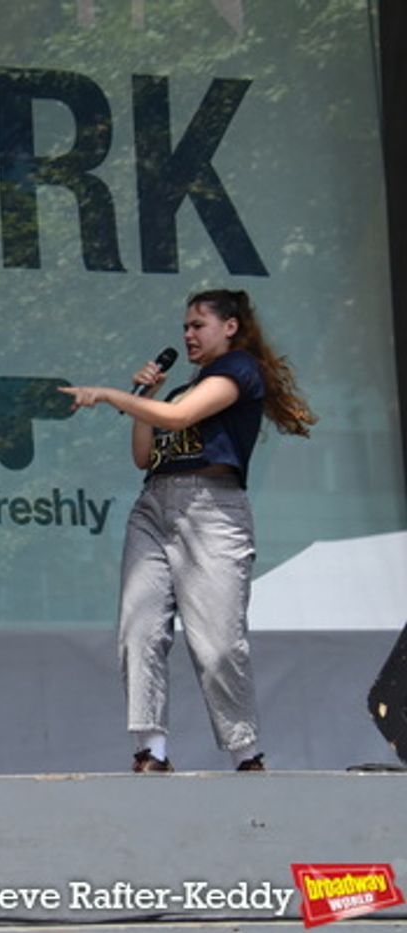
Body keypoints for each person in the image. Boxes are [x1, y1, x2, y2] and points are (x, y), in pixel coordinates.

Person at [59, 289, 315, 774]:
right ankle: (150, 751)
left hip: (210, 508)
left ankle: (246, 753)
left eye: (198, 325)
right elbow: (143, 457)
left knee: (217, 645)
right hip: (154, 505)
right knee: (140, 629)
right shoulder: (182, 390)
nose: (188, 335)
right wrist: (145, 398)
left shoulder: (239, 370)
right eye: (185, 327)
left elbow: (178, 419)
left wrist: (109, 395)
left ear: (230, 326)